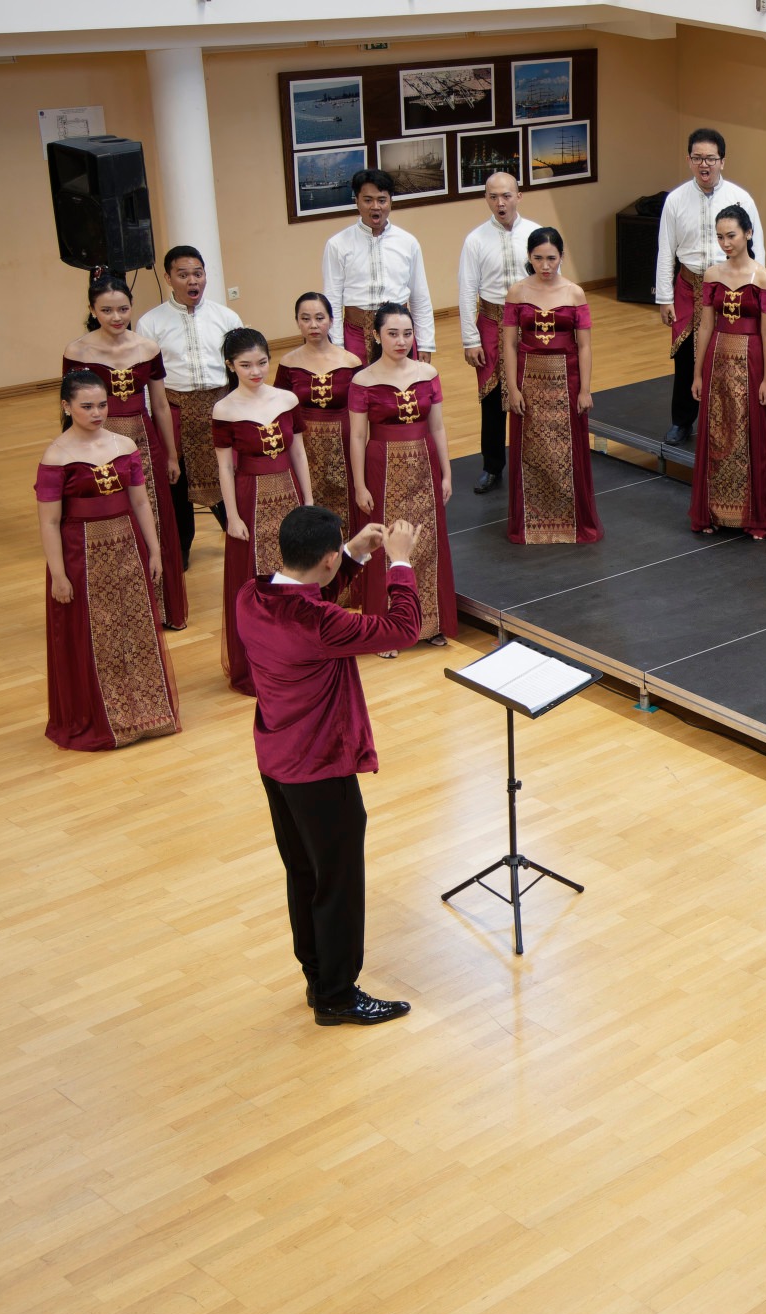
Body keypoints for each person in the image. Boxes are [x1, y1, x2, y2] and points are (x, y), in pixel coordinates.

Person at [239, 506, 422, 1027]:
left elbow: (306, 592)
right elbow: (402, 628)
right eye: (334, 555)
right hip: (319, 769)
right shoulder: (319, 625)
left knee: (304, 874)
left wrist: (352, 555)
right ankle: (339, 997)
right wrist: (400, 565)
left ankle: (318, 977)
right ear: (322, 559)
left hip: (275, 761)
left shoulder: (251, 595)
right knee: (339, 883)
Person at [37, 370, 179, 751]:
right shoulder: (56, 456)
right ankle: (99, 716)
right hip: (79, 551)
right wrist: (58, 576)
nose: (97, 413)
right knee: (92, 630)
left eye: (102, 405)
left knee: (134, 626)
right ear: (67, 407)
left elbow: (139, 501)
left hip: (126, 544)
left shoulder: (124, 443)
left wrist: (154, 550)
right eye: (86, 407)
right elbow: (49, 521)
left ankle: (145, 712)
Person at [63, 272, 186, 630]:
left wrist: (172, 453)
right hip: (95, 441)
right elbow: (68, 406)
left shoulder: (147, 348)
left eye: (123, 309)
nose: (116, 317)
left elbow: (160, 405)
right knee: (111, 516)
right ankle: (117, 606)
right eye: (107, 310)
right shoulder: (77, 351)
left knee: (153, 515)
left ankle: (161, 606)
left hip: (143, 438)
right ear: (92, 309)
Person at [348, 304, 455, 653]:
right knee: (386, 543)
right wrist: (361, 484)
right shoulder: (362, 380)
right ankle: (387, 631)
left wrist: (446, 471)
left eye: (407, 333)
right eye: (393, 333)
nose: (401, 341)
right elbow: (357, 438)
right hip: (383, 466)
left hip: (424, 464)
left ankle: (430, 622)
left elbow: (437, 426)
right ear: (377, 335)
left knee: (426, 541)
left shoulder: (428, 372)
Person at [213, 328, 311, 696]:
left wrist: (309, 501)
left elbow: (299, 452)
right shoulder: (224, 409)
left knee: (294, 573)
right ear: (230, 366)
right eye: (245, 365)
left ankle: (298, 654)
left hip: (288, 490)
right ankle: (259, 663)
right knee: (256, 578)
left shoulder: (286, 399)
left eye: (262, 362)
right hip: (249, 497)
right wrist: (233, 516)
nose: (256, 371)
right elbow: (225, 467)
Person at [135, 244, 243, 564]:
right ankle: (180, 548)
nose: (192, 281)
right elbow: (146, 381)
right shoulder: (150, 323)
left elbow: (241, 366)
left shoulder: (227, 317)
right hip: (175, 409)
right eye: (183, 275)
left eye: (198, 273)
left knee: (229, 472)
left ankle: (237, 534)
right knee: (176, 479)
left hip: (220, 406)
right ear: (168, 278)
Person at [656, 129, 763, 447]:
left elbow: (759, 249)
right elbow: (666, 250)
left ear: (722, 161)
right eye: (698, 158)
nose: (705, 165)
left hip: (729, 288)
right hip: (689, 287)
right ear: (689, 160)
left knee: (729, 356)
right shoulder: (675, 200)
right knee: (686, 359)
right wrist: (664, 297)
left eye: (711, 159)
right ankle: (682, 421)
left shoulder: (741, 199)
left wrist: (754, 292)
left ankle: (731, 420)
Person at [501, 227, 602, 546]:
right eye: (538, 258)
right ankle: (532, 520)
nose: (545, 266)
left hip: (567, 377)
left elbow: (584, 345)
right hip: (528, 379)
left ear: (562, 256)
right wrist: (512, 389)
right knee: (529, 450)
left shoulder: (575, 293)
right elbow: (508, 344)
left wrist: (585, 388)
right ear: (529, 258)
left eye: (551, 259)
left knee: (568, 450)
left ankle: (572, 520)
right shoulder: (516, 292)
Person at [689, 206, 766, 540]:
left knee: (748, 432)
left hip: (751, 358)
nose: (726, 243)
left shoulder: (762, 278)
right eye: (721, 237)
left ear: (748, 234)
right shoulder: (712, 275)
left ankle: (752, 515)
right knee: (717, 432)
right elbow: (706, 324)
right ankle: (711, 510)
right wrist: (697, 372)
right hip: (717, 358)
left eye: (732, 235)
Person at [456, 172, 541, 495]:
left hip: (530, 321)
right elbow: (466, 291)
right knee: (491, 400)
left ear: (519, 196)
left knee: (532, 394)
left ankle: (532, 461)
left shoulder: (536, 233)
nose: (500, 203)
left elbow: (553, 278)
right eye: (493, 197)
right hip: (491, 323)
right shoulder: (476, 240)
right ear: (487, 199)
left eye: (506, 195)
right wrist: (470, 339)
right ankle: (492, 466)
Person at [322, 169, 435, 364]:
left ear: (390, 201)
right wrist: (337, 346)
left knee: (403, 391)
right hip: (355, 336)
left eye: (382, 200)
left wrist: (425, 342)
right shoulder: (338, 244)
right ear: (356, 201)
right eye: (368, 200)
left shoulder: (408, 242)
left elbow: (420, 295)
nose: (376, 207)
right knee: (361, 391)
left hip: (399, 334)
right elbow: (332, 299)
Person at [276, 293, 363, 545]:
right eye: (306, 319)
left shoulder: (350, 361)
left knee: (346, 507)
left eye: (319, 318)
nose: (313, 325)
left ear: (331, 321)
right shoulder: (288, 362)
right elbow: (279, 408)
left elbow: (361, 411)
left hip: (344, 443)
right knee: (309, 505)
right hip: (303, 446)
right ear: (297, 322)